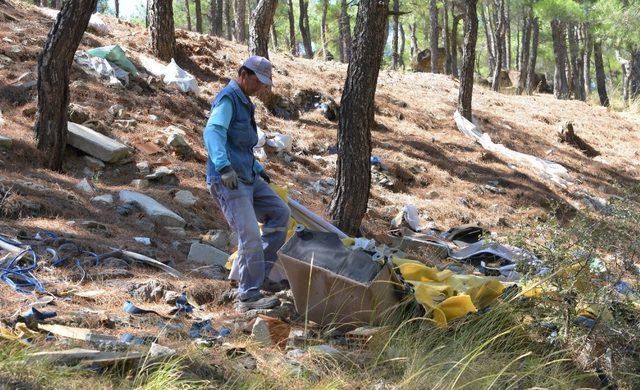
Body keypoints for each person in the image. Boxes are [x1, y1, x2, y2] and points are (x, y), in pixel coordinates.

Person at [202, 56, 290, 312]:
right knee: (250, 234)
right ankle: (248, 297)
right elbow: (213, 132)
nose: (260, 87)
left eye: (264, 83)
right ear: (243, 74)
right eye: (257, 81)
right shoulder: (229, 99)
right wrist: (224, 167)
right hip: (229, 179)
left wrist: (258, 169)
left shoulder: (246, 103)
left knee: (280, 213)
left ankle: (258, 276)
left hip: (248, 175)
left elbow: (242, 145)